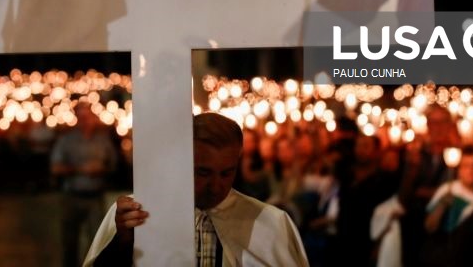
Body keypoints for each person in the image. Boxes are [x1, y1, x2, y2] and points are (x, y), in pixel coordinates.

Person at [82, 112, 309, 266]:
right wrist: (123, 241)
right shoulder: (135, 211)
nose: (216, 186)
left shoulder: (270, 222)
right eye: (203, 173)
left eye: (226, 173)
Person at [50, 101, 118, 267]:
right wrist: (80, 169)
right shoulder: (66, 140)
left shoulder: (102, 140)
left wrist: (101, 169)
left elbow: (113, 164)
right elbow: (56, 167)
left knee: (98, 241)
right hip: (72, 195)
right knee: (69, 241)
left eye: (88, 117)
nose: (85, 121)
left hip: (95, 196)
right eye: (81, 117)